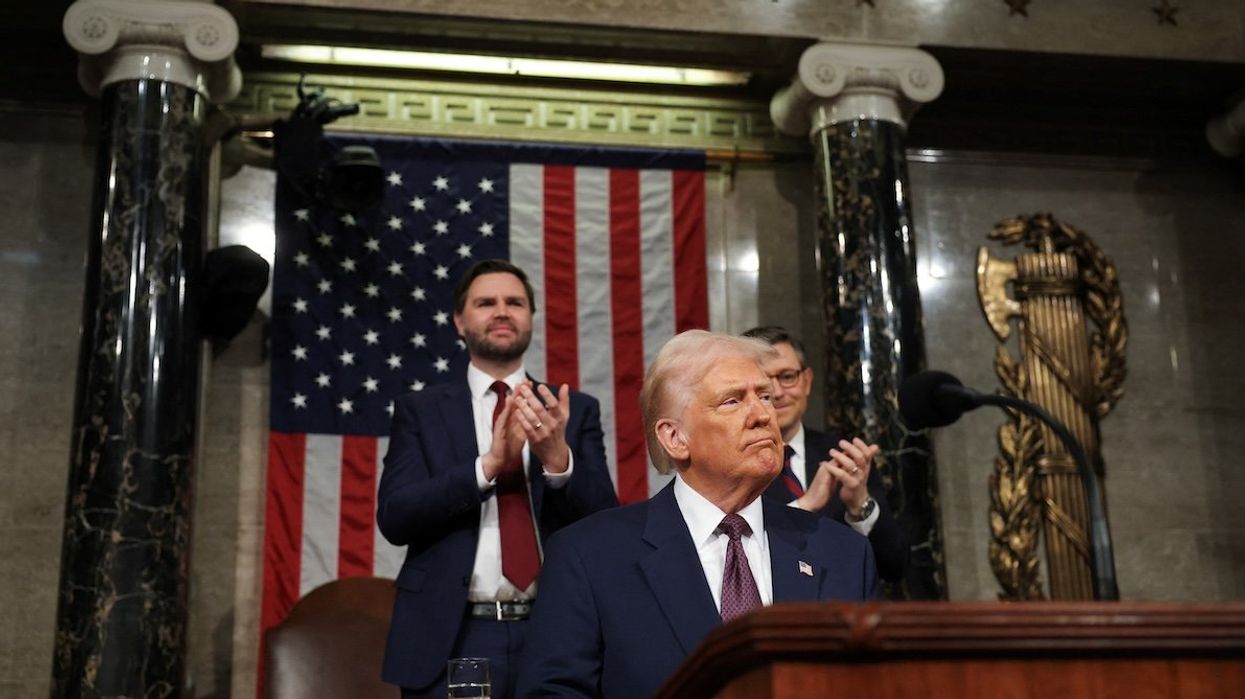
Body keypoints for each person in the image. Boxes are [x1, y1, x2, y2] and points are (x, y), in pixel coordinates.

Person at [515, 330, 877, 698]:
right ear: (674, 438)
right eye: (732, 401)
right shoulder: (589, 556)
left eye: (764, 396)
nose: (762, 415)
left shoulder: (843, 554)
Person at [376, 259, 619, 699]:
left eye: (515, 302)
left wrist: (557, 460)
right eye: (486, 303)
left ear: (531, 317)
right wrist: (486, 465)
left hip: (556, 629)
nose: (502, 311)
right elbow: (395, 517)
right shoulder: (421, 411)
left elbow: (606, 521)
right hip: (454, 634)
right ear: (459, 321)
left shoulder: (572, 409)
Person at [742, 325, 909, 583]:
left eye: (787, 376)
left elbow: (895, 566)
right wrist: (805, 506)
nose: (777, 392)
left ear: (807, 381)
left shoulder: (844, 456)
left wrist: (860, 506)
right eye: (764, 382)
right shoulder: (730, 464)